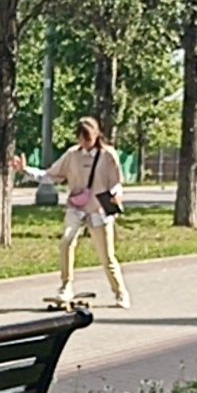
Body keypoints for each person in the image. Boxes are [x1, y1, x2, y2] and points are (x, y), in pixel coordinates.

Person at [16, 116, 131, 309]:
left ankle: (120, 293)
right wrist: (25, 170)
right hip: (77, 208)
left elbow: (116, 182)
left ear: (96, 135)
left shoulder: (108, 155)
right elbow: (51, 175)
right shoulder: (72, 155)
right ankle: (66, 285)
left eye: (88, 138)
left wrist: (116, 195)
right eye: (81, 138)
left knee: (107, 257)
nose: (84, 142)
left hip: (99, 210)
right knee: (67, 241)